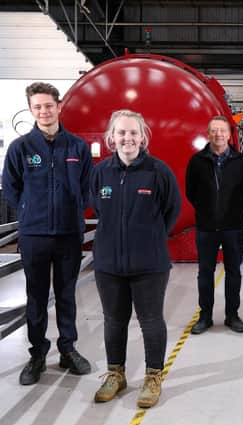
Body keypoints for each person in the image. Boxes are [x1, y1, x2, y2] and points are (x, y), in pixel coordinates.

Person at [2, 82, 92, 385]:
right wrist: (30, 210)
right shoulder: (20, 148)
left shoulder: (77, 147)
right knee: (36, 297)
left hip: (68, 233)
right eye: (37, 106)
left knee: (67, 295)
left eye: (48, 105)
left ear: (59, 106)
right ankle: (37, 354)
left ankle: (68, 350)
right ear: (31, 109)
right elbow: (11, 189)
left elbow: (88, 187)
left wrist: (74, 208)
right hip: (35, 235)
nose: (43, 111)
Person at [90, 110, 181, 408]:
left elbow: (172, 210)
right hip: (108, 264)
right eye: (121, 133)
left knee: (151, 321)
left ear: (143, 137)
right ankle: (116, 374)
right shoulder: (101, 172)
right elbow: (98, 209)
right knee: (113, 321)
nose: (127, 138)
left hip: (149, 264)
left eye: (133, 133)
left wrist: (150, 237)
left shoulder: (158, 171)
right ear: (111, 137)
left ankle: (153, 377)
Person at [186, 116, 243, 335]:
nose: (218, 135)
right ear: (208, 134)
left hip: (232, 227)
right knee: (205, 273)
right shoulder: (197, 161)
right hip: (206, 227)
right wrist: (207, 210)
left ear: (229, 134)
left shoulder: (240, 162)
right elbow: (191, 191)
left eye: (222, 131)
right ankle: (205, 316)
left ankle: (232, 315)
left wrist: (234, 212)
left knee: (233, 272)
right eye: (214, 131)